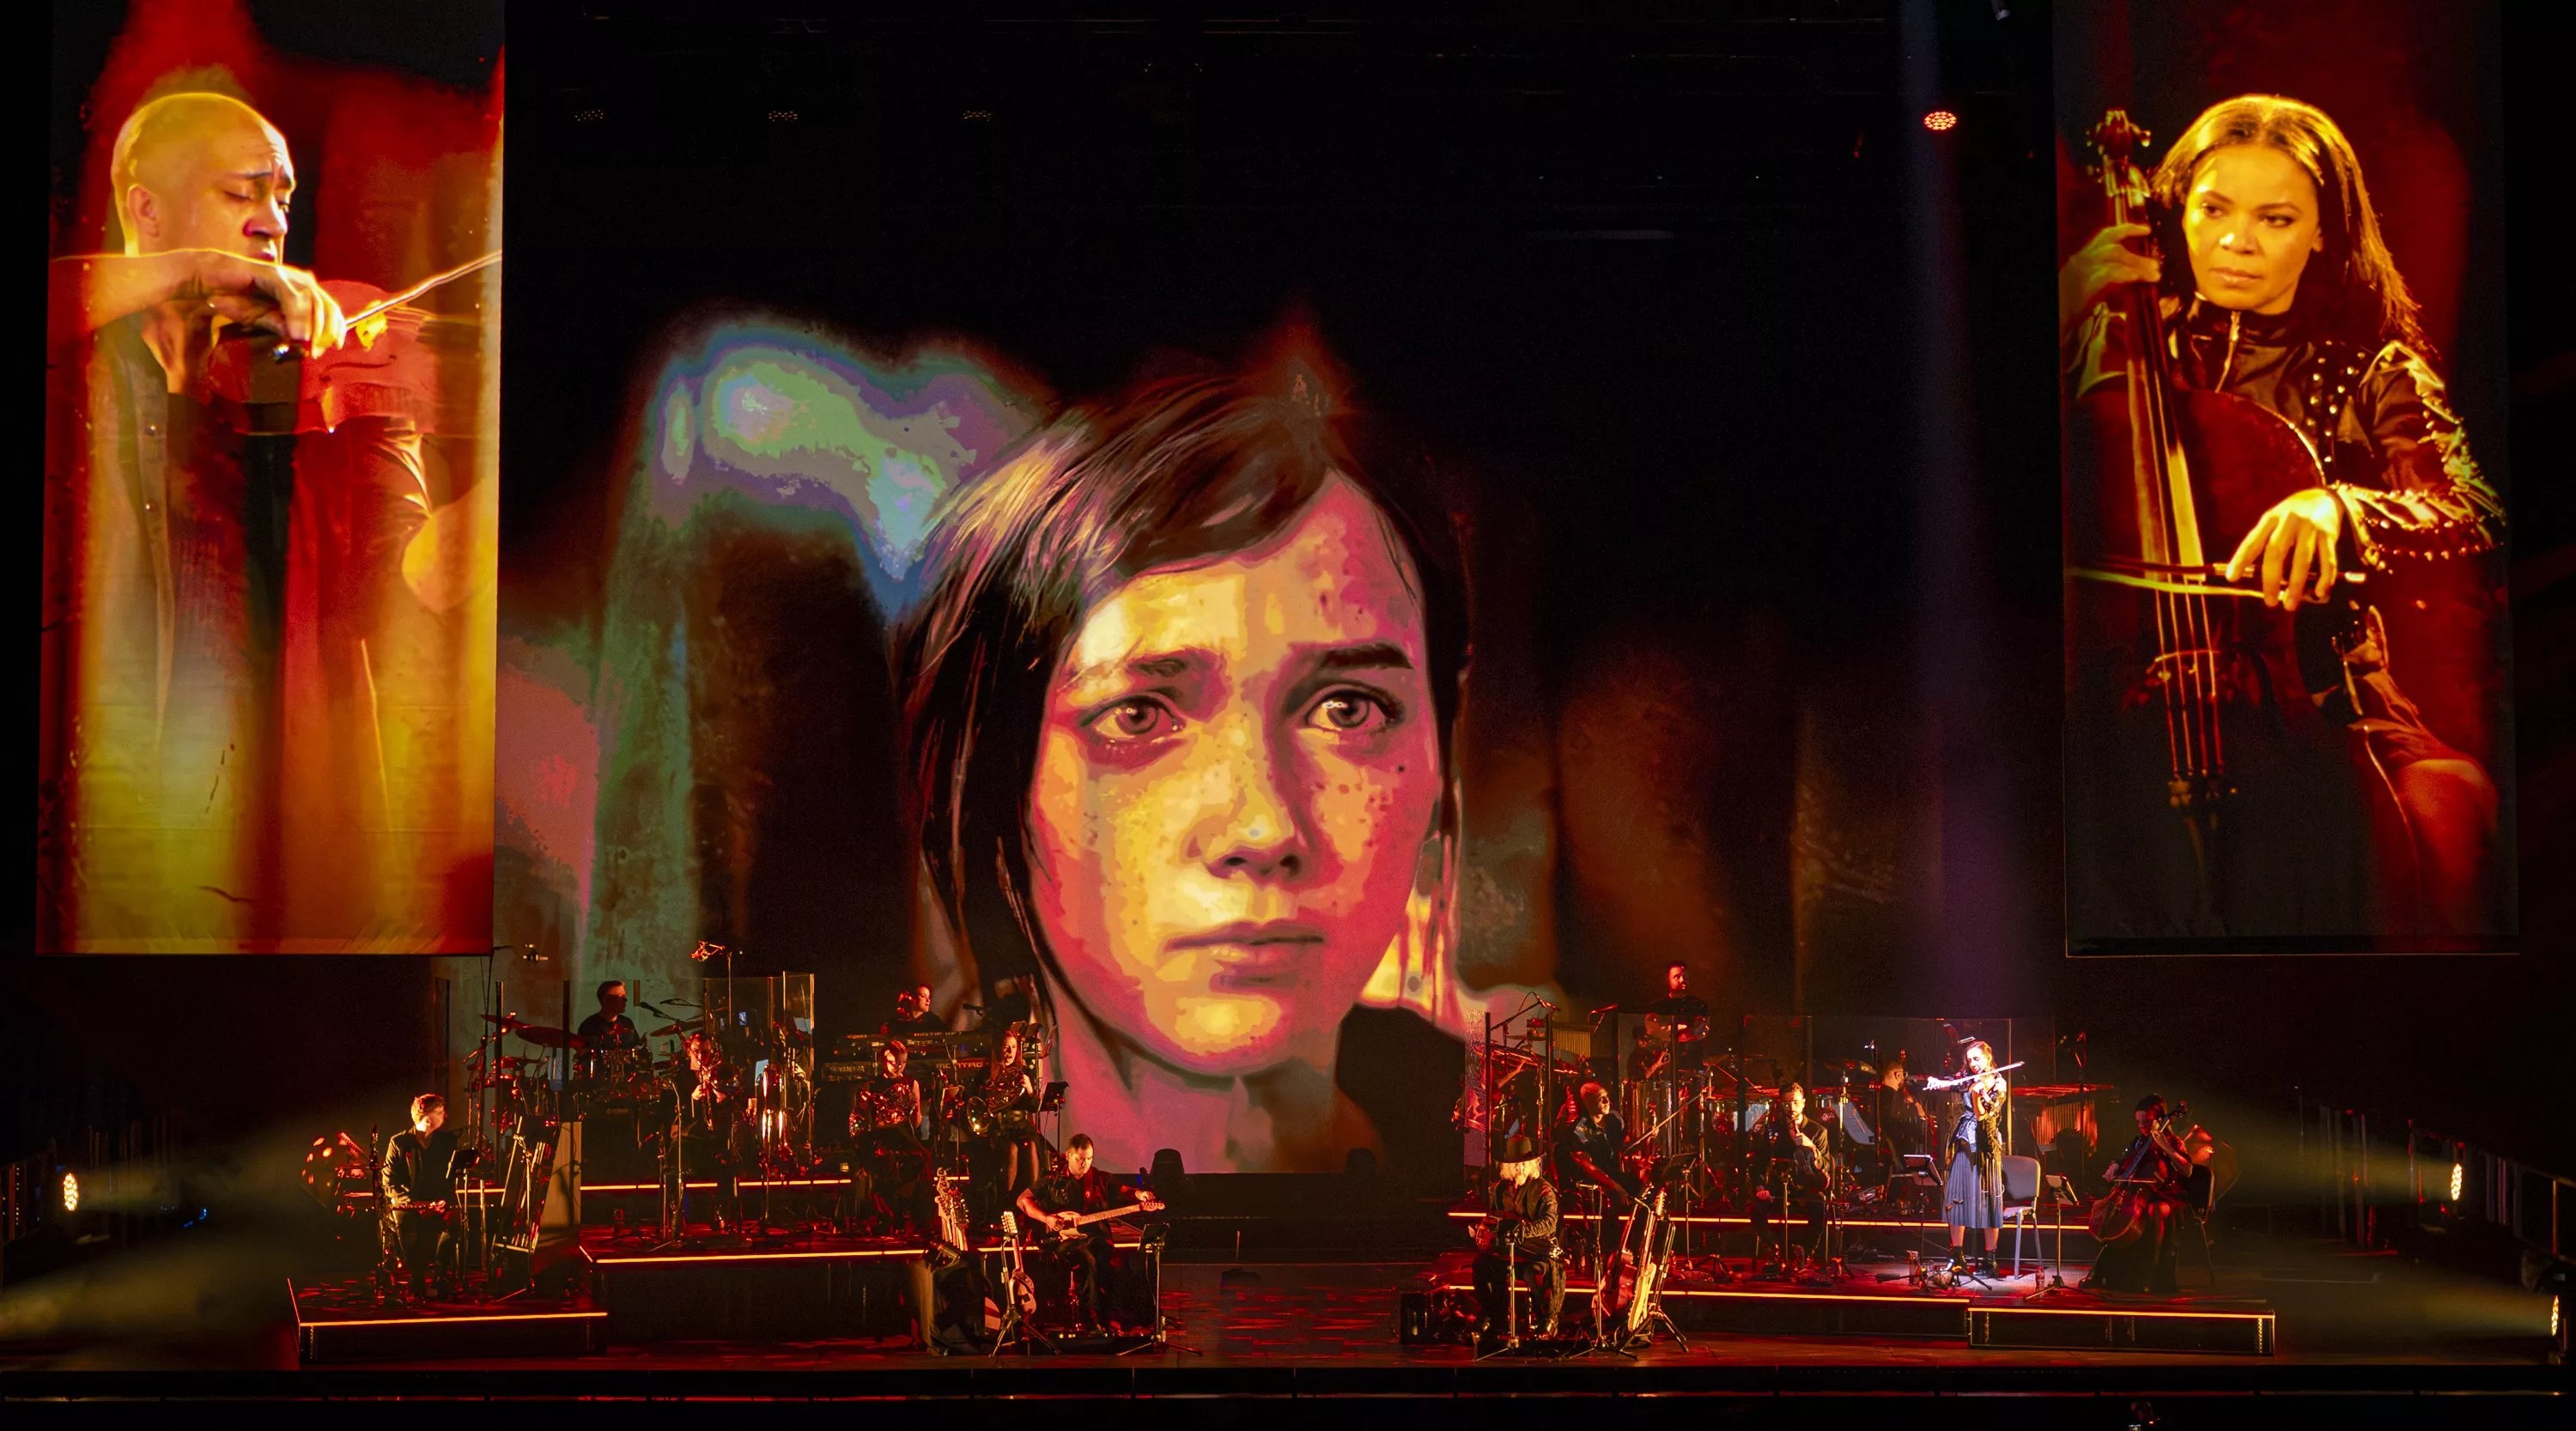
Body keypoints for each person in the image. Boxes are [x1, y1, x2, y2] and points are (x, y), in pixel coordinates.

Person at [896, 368, 1469, 1174]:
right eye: (1137, 714)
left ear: (1439, 763)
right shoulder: (918, 1170)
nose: (1263, 828)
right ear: (995, 778)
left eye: (1348, 709)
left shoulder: (1492, 1135)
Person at [2061, 94, 2504, 938]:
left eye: (2275, 218)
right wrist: (2061, 309)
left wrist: (2341, 505)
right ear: (2177, 211)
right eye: (2214, 209)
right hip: (2119, 696)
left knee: (2445, 826)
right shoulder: (2111, 337)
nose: (2237, 241)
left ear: (2323, 232)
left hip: (2319, 698)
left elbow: (2471, 511)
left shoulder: (2371, 367)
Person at [41, 91, 430, 950]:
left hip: (269, 862)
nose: (273, 222)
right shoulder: (74, 372)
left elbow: (402, 589)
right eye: (241, 192)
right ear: (146, 208)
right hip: (90, 848)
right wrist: (192, 274)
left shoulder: (329, 376)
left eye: (283, 198)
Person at [1017, 1133, 1163, 1333]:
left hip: (1097, 1239)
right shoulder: (1052, 1181)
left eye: (1089, 1159)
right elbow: (1023, 1200)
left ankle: (1120, 1319)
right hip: (1063, 1241)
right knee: (1088, 1260)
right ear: (1068, 1155)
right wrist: (1047, 1218)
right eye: (1080, 1159)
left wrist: (1140, 1195)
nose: (1084, 1164)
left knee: (1120, 1265)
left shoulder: (1100, 1179)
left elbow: (1124, 1190)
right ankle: (1092, 1319)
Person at [2084, 1095, 2196, 1295]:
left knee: (2155, 1210)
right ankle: (2101, 1272)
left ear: (2160, 1120)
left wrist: (2165, 1147)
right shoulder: (2138, 1142)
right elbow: (2124, 1157)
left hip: (2166, 1194)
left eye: (2147, 1122)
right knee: (2114, 1219)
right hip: (2138, 1195)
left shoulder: (2174, 1141)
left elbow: (2187, 1170)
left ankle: (2152, 1272)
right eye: (2138, 1122)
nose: (2142, 1126)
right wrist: (2115, 1165)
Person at [1470, 1136, 1563, 1349]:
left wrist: (1524, 1231)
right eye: (1516, 1164)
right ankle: (1496, 1317)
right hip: (1506, 1252)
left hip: (1535, 1252)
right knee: (1482, 1266)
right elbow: (1494, 1216)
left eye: (1524, 1164)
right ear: (1508, 1167)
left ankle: (1548, 1320)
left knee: (1534, 1274)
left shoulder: (1543, 1189)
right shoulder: (1499, 1189)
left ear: (1532, 1164)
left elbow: (1550, 1222)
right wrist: (1485, 1229)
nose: (1520, 1168)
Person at [1554, 1081, 1641, 1301]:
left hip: (1614, 1172)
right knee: (1612, 1200)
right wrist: (1616, 1186)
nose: (1607, 1101)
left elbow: (1624, 1145)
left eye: (1606, 1096)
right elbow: (1588, 1167)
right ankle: (1610, 1257)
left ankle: (1637, 1249)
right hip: (1592, 1178)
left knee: (1644, 1190)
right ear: (1587, 1102)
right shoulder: (1580, 1129)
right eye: (1600, 1098)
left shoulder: (1615, 1119)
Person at [1933, 1042, 2008, 1275]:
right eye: (1970, 1060)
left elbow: (1983, 1115)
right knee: (1956, 1196)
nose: (1973, 1064)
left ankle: (1990, 1260)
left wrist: (1978, 1096)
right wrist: (1937, 1083)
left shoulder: (1999, 1083)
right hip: (1963, 1142)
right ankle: (1957, 1255)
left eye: (1977, 1059)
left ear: (1988, 1058)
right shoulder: (1968, 1079)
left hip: (1985, 1145)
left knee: (1988, 1200)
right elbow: (1952, 1083)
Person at [850, 1039, 934, 1237]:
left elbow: (916, 1123)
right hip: (880, 1138)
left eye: (903, 1062)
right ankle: (891, 1218)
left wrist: (915, 1108)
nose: (899, 1066)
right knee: (887, 1165)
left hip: (904, 1136)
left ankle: (916, 1216)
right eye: (895, 1062)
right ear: (884, 1060)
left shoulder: (911, 1083)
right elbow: (861, 1119)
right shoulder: (872, 1085)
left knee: (924, 1160)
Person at [380, 1094, 459, 1300]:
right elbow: (389, 1181)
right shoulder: (399, 1142)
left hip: (435, 1201)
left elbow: (451, 1178)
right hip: (408, 1203)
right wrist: (414, 1203)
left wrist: (442, 1200)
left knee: (453, 1222)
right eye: (439, 1112)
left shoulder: (447, 1141)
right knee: (407, 1224)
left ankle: (440, 1274)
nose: (444, 1116)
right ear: (427, 1117)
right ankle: (417, 1277)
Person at [1749, 1081, 1827, 1267]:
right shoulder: (1772, 1130)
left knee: (1820, 1205)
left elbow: (1826, 1165)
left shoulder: (1818, 1131)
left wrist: (1810, 1146)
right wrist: (1760, 1186)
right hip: (1778, 1187)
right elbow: (1759, 1162)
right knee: (1756, 1208)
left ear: (1803, 1103)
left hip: (1806, 1188)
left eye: (1795, 1102)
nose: (1791, 1107)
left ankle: (1806, 1252)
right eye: (1787, 1103)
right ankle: (1774, 1247)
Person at [973, 1023, 1046, 1210]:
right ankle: (1007, 1204)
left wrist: (1030, 1090)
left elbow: (1033, 1107)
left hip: (1021, 1126)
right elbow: (977, 1102)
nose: (1010, 1051)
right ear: (998, 1048)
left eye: (1014, 1047)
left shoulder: (1023, 1071)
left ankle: (1032, 1201)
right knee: (1012, 1150)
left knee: (1031, 1147)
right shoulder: (985, 1073)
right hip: (999, 1127)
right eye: (1006, 1047)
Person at [881, 985, 946, 1039]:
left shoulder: (934, 1022)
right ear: (913, 999)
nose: (928, 1000)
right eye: (923, 996)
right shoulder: (898, 1021)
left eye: (929, 997)